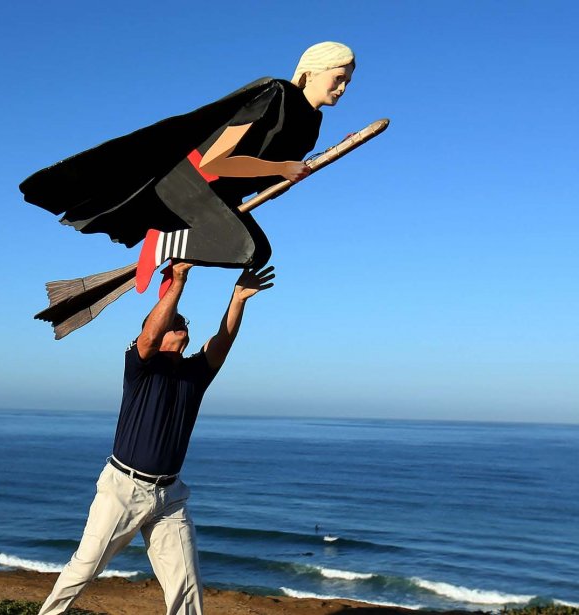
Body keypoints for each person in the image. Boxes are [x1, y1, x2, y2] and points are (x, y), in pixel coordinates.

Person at [37, 261, 275, 615]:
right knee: (85, 567)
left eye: (184, 323)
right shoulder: (140, 366)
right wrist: (177, 281)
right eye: (174, 322)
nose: (182, 324)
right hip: (124, 489)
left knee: (186, 585)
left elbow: (222, 342)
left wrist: (237, 298)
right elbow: (150, 334)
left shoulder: (195, 374)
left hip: (170, 496)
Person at [20, 42, 356, 292]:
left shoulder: (313, 124)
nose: (342, 88)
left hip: (219, 194)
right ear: (311, 71)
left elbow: (264, 179)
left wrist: (291, 174)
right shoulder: (276, 94)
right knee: (250, 249)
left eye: (348, 82)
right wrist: (283, 167)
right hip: (189, 182)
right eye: (338, 77)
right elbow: (216, 160)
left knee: (259, 252)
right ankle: (164, 241)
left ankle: (177, 258)